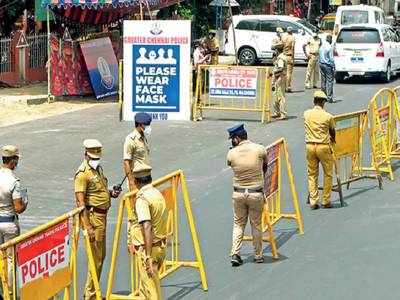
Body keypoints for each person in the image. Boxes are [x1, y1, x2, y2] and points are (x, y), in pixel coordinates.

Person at [74, 139, 121, 300]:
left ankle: (91, 292)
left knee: (100, 256)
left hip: (102, 216)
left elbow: (98, 190)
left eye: (97, 157)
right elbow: (81, 202)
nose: (96, 160)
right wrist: (87, 226)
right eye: (93, 158)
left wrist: (110, 193)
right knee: (96, 257)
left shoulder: (97, 169)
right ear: (85, 155)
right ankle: (90, 295)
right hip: (93, 218)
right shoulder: (82, 174)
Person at [226, 124, 266, 266]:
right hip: (256, 192)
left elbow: (230, 163)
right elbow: (264, 166)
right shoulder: (260, 149)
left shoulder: (231, 153)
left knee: (238, 224)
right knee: (256, 224)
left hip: (239, 193)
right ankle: (258, 255)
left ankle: (235, 253)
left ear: (236, 139)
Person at [128, 164, 168, 300]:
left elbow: (147, 226)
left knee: (152, 292)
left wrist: (148, 257)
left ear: (136, 181)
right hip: (160, 246)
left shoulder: (142, 199)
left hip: (148, 250)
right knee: (145, 289)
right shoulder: (157, 193)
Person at [0, 145, 27, 291]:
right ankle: (9, 291)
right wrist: (25, 203)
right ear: (13, 161)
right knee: (10, 259)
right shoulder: (13, 181)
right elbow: (18, 207)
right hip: (9, 224)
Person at [304, 91, 336, 210]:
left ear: (314, 101)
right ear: (323, 102)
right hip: (323, 146)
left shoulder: (306, 114)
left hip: (310, 146)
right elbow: (332, 131)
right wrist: (333, 140)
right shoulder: (328, 116)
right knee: (328, 174)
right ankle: (326, 200)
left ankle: (313, 201)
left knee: (312, 174)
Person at [123, 112, 152, 192]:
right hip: (137, 179)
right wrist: (131, 182)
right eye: (146, 125)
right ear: (139, 125)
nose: (148, 127)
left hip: (147, 176)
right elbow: (126, 162)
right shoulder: (130, 139)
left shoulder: (143, 137)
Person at [271, 43, 287, 120]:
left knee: (280, 96)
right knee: (275, 96)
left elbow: (281, 68)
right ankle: (277, 112)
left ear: (277, 50)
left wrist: (273, 73)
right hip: (277, 78)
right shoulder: (279, 57)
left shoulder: (281, 58)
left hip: (280, 78)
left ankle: (282, 113)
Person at [319, 34, 335, 103]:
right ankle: (329, 97)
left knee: (323, 80)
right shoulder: (329, 47)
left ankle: (323, 96)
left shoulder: (322, 46)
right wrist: (333, 66)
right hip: (327, 65)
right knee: (329, 81)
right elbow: (331, 58)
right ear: (330, 39)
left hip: (321, 64)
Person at [282, 27, 295, 93]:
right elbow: (292, 48)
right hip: (289, 56)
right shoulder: (292, 38)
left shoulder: (283, 37)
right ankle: (288, 87)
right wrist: (293, 57)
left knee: (284, 72)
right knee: (289, 73)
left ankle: (283, 86)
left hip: (283, 55)